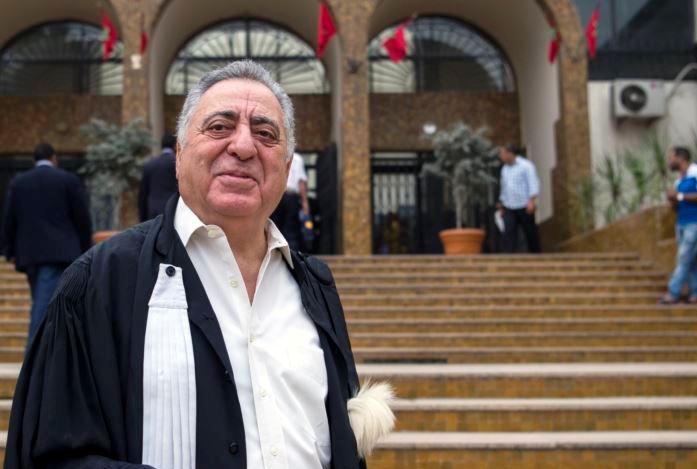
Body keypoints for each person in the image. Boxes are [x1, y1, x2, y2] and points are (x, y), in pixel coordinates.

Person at [4, 61, 393, 469]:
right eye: (219, 127)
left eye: (265, 133)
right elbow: (51, 456)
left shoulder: (314, 287)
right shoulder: (102, 281)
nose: (243, 146)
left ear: (286, 163)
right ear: (179, 154)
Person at [0, 143, 92, 343]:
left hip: (30, 255)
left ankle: (51, 351)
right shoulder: (68, 180)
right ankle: (36, 355)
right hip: (61, 253)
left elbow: (9, 218)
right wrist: (86, 248)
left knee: (44, 302)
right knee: (46, 308)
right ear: (54, 158)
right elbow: (82, 218)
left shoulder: (19, 182)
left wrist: (9, 249)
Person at [660, 146, 697, 304]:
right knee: (691, 260)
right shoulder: (679, 180)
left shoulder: (695, 173)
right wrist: (672, 199)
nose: (669, 161)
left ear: (681, 158)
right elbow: (677, 205)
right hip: (681, 223)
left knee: (683, 257)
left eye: (671, 157)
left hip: (694, 223)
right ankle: (695, 293)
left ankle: (673, 292)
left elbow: (686, 197)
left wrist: (679, 196)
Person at [497, 144, 541, 253]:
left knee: (530, 232)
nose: (501, 156)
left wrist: (531, 201)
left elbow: (533, 183)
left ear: (510, 153)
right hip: (509, 206)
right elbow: (504, 187)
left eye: (502, 153)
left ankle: (536, 255)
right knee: (509, 232)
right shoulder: (504, 169)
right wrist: (502, 203)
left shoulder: (526, 165)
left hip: (524, 204)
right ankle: (510, 257)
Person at [271, 152, 310, 250]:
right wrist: (305, 202)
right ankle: (291, 253)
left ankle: (277, 251)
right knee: (291, 228)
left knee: (276, 227)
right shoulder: (297, 159)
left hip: (278, 195)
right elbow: (301, 182)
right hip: (291, 197)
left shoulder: (277, 156)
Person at [138, 134, 178, 221]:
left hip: (153, 211)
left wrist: (142, 218)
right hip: (173, 210)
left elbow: (143, 194)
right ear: (175, 146)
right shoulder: (177, 164)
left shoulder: (150, 164)